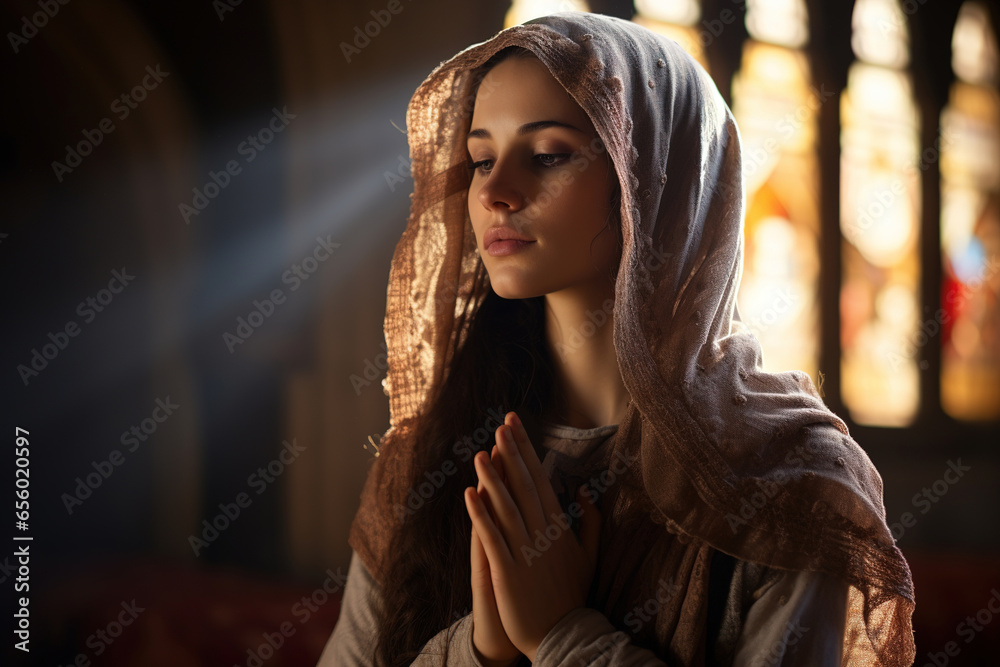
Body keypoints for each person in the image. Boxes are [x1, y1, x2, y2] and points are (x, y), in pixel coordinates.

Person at [316, 11, 916, 667]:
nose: (496, 192)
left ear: (660, 185)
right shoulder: (431, 454)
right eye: (482, 158)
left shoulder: (791, 480)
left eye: (548, 154)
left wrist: (562, 636)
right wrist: (482, 650)